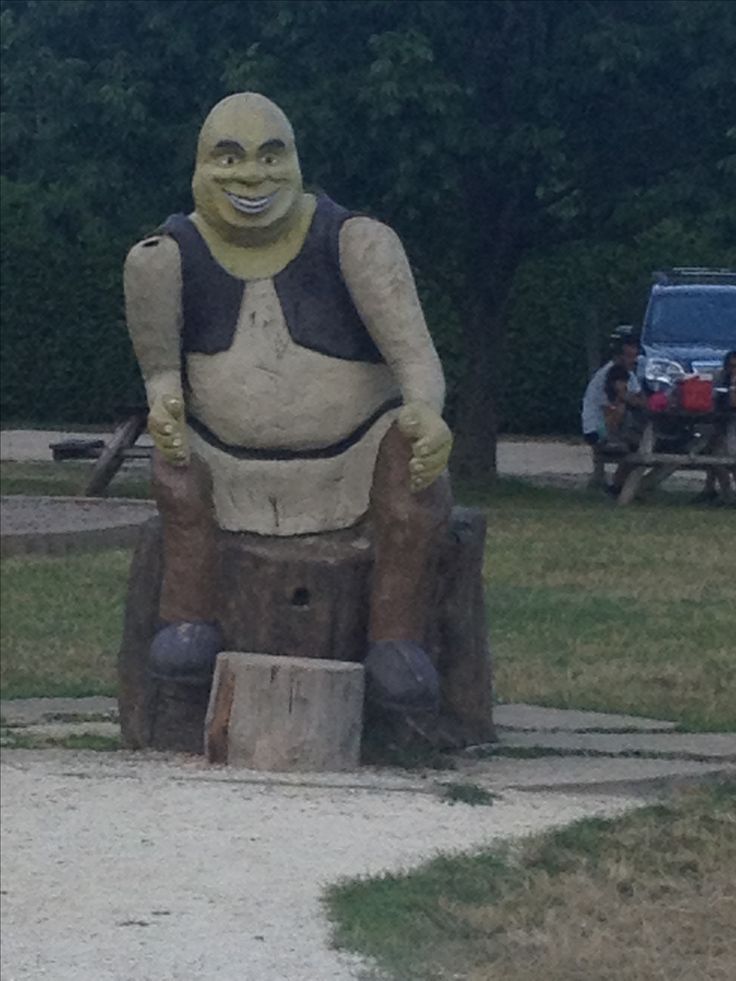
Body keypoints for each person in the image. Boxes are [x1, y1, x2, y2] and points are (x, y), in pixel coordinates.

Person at [124, 93, 453, 715]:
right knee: (176, 480)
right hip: (223, 460)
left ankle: (396, 635)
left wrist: (427, 411)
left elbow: (417, 360)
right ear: (200, 165)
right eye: (230, 158)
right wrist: (165, 407)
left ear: (296, 160)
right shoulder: (161, 260)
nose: (253, 176)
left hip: (355, 451)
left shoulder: (357, 242)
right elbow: (161, 370)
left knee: (413, 483)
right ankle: (187, 619)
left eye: (271, 156)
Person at [581, 328, 646, 494]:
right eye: (630, 356)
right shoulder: (611, 374)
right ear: (619, 355)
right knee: (639, 447)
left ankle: (618, 487)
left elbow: (639, 397)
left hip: (612, 427)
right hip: (598, 429)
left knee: (641, 443)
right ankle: (620, 487)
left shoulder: (628, 374)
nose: (634, 360)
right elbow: (611, 409)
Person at [696, 350, 736, 503]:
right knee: (713, 449)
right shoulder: (719, 377)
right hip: (720, 424)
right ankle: (724, 493)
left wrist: (733, 384)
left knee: (725, 454)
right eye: (731, 367)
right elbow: (709, 399)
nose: (733, 370)